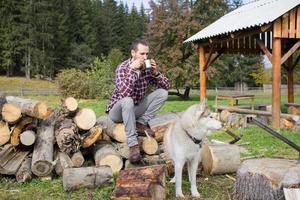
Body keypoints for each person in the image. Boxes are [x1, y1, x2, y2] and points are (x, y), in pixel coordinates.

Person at [106, 39, 169, 162]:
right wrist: (133, 71)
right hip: (117, 112)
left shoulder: (147, 68)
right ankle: (133, 145)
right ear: (133, 53)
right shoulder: (123, 68)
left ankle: (140, 123)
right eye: (142, 54)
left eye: (147, 54)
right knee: (128, 100)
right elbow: (125, 94)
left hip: (135, 108)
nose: (145, 57)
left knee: (163, 93)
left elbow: (166, 87)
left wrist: (156, 73)